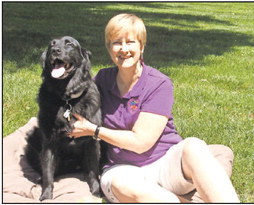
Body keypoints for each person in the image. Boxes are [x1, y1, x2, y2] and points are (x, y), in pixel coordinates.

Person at [72, 13, 240, 203]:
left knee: (194, 146)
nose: (124, 49)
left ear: (142, 46)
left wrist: (94, 131)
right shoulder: (103, 79)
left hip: (165, 163)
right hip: (122, 168)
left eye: (130, 42)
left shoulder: (159, 84)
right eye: (116, 42)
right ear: (109, 48)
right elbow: (75, 100)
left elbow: (141, 142)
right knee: (123, 186)